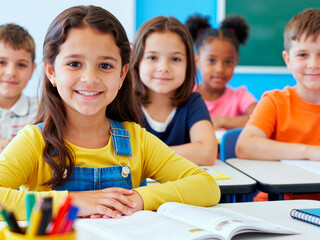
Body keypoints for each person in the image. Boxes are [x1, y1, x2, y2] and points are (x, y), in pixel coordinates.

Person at [0, 5, 220, 220]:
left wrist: (139, 198)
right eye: (74, 63)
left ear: (122, 74)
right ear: (51, 71)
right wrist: (72, 202)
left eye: (105, 66)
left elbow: (207, 186)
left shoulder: (137, 140)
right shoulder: (34, 142)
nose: (90, 78)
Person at [236, 8, 320, 206]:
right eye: (302, 54)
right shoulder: (274, 101)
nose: (313, 64)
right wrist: (312, 152)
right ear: (288, 60)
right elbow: (245, 146)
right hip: (277, 205)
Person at [131, 16, 217, 165]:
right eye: (152, 57)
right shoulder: (123, 103)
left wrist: (145, 154)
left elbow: (207, 152)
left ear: (188, 65)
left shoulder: (193, 102)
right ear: (137, 62)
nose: (163, 68)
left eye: (175, 59)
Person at [186, 14, 257, 130]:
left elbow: (260, 117)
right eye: (211, 60)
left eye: (228, 62)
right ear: (197, 60)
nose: (220, 69)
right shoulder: (186, 96)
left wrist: (221, 121)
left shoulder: (239, 97)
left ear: (236, 62)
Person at [0, 24, 38, 151]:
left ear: (32, 70)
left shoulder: (41, 112)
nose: (11, 72)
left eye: (21, 65)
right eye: (2, 62)